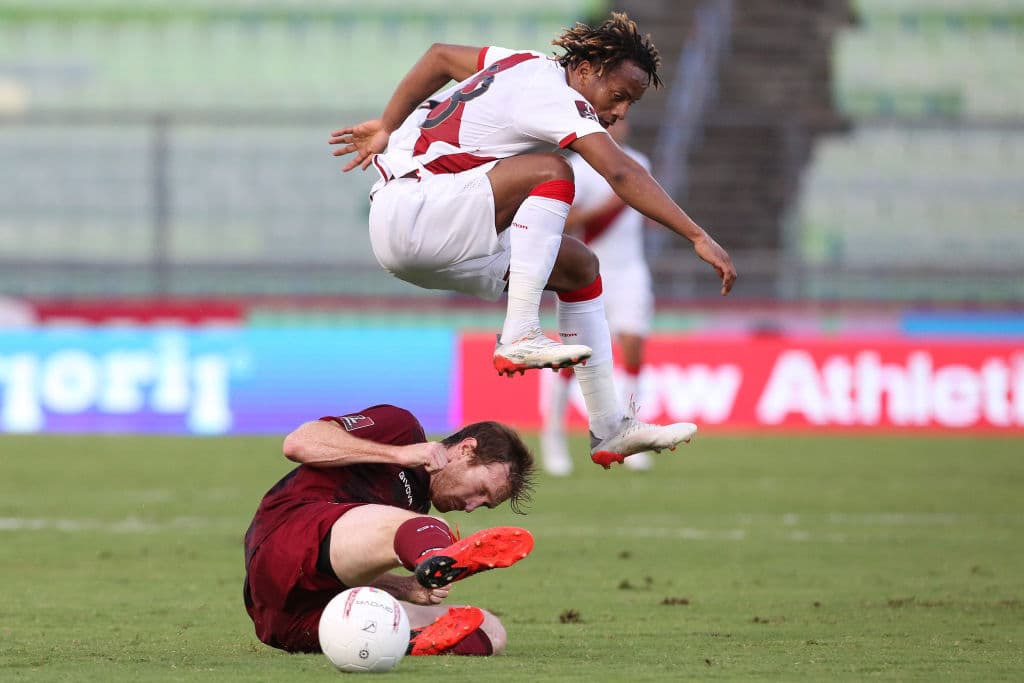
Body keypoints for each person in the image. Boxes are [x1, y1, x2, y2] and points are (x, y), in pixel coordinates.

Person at [329, 12, 737, 469]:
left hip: (423, 229)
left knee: (580, 267)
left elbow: (439, 56)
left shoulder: (518, 63)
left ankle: (610, 428)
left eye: (630, 105)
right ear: (584, 71)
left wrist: (388, 124)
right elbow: (621, 172)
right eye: (618, 96)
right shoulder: (558, 96)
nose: (620, 111)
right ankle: (519, 331)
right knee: (553, 172)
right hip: (419, 213)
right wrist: (697, 235)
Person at [243, 403, 536, 656]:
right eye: (480, 490)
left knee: (489, 629)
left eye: (484, 505)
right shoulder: (402, 429)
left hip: (296, 621)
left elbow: (351, 561)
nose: (472, 506)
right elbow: (298, 443)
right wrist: (399, 454)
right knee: (427, 528)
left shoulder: (415, 511)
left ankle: (399, 641)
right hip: (283, 542)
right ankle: (436, 556)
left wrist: (405, 588)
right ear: (465, 449)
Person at [542, 119, 655, 475]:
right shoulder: (578, 169)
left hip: (631, 271)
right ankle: (553, 435)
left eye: (624, 120)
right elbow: (565, 219)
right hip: (588, 271)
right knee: (574, 355)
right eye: (612, 120)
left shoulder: (639, 164)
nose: (618, 125)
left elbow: (647, 211)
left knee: (634, 348)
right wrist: (612, 202)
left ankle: (629, 438)